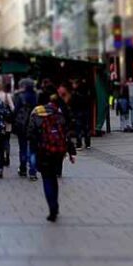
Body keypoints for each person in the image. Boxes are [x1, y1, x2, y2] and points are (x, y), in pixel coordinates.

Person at [28, 93, 76, 223]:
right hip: (58, 152)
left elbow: (30, 134)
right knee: (54, 178)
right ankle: (55, 204)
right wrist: (71, 152)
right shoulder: (58, 113)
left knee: (47, 179)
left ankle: (52, 207)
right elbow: (66, 134)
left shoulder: (36, 113)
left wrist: (35, 148)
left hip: (43, 151)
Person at [13, 78, 37, 180]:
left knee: (23, 147)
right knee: (33, 149)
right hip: (34, 124)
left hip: (22, 125)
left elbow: (16, 110)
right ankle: (33, 171)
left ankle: (23, 169)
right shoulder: (36, 96)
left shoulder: (20, 96)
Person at [0, 82, 15, 165]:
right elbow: (13, 108)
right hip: (7, 122)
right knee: (7, 140)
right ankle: (7, 155)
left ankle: (1, 157)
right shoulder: (7, 96)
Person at [70, 80, 92, 150]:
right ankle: (88, 143)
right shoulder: (87, 90)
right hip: (86, 110)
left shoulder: (75, 92)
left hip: (78, 111)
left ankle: (79, 144)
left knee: (78, 128)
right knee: (86, 128)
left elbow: (72, 103)